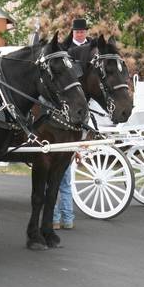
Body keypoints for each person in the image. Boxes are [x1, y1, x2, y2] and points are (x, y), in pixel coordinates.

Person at [53, 18, 89, 230]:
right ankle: (66, 218)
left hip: (73, 100)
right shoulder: (65, 49)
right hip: (68, 94)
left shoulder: (90, 47)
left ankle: (62, 218)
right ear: (73, 32)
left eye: (83, 31)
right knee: (64, 182)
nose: (80, 34)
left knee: (61, 182)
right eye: (78, 31)